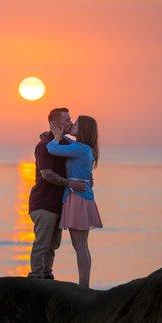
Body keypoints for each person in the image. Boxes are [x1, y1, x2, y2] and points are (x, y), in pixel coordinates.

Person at [27, 108, 86, 280]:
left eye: (70, 119)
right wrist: (70, 183)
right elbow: (47, 174)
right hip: (43, 204)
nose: (70, 123)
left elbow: (83, 149)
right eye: (67, 120)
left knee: (53, 244)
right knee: (42, 244)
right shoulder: (44, 146)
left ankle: (47, 274)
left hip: (58, 205)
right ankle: (36, 277)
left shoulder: (66, 144)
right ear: (55, 123)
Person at [47, 115, 103, 288]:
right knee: (82, 246)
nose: (72, 124)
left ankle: (83, 286)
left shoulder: (79, 148)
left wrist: (55, 138)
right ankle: (84, 283)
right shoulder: (85, 148)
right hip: (83, 197)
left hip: (78, 198)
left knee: (79, 246)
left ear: (83, 129)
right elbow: (69, 143)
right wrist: (58, 135)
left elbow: (51, 148)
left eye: (76, 123)